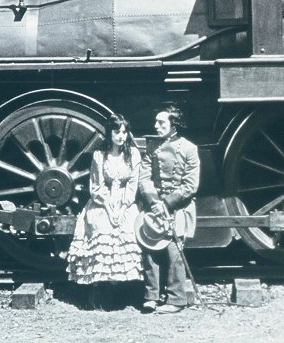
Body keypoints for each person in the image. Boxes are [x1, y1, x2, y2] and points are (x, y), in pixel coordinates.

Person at [66, 114, 143, 309]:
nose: (121, 136)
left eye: (124, 132)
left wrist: (123, 207)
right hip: (103, 203)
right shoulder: (99, 156)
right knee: (102, 226)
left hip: (126, 202)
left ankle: (126, 290)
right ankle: (102, 291)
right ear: (110, 133)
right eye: (117, 132)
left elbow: (133, 185)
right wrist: (109, 209)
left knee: (129, 227)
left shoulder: (133, 154)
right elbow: (96, 187)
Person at [138, 105, 200, 314]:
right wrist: (155, 202)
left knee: (174, 252)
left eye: (161, 122)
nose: (156, 126)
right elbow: (144, 178)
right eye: (156, 122)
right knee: (149, 249)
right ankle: (151, 297)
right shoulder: (152, 148)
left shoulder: (190, 149)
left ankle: (176, 299)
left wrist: (167, 203)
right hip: (154, 207)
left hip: (178, 208)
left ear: (174, 125)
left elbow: (190, 185)